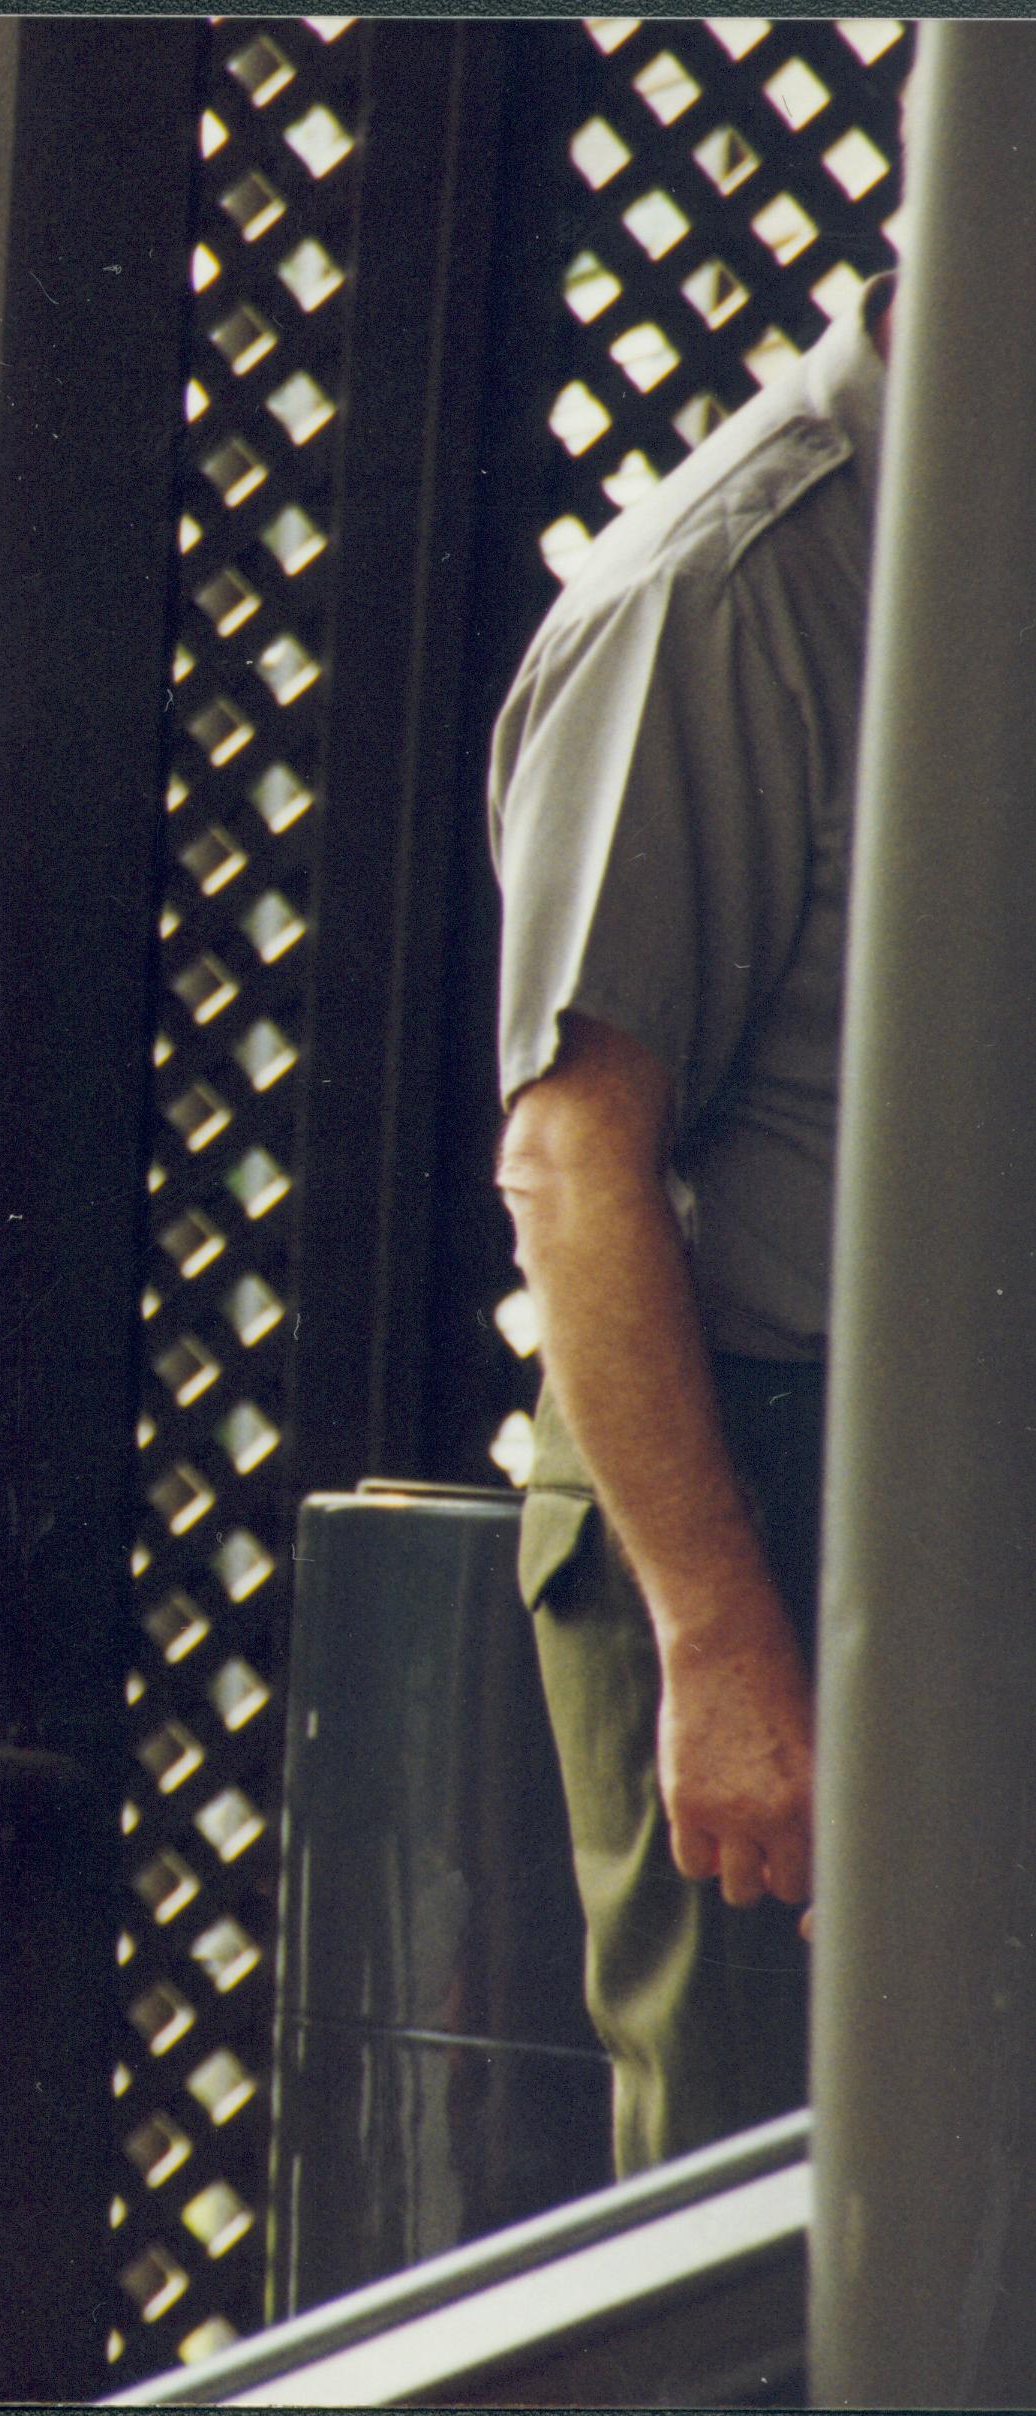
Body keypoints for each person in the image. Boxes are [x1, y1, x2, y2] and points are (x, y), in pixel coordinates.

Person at [488, 276, 888, 2177]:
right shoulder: (726, 589)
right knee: (761, 2224)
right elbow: (573, 1157)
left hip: (935, 1469)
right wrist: (719, 1642)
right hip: (755, 1473)